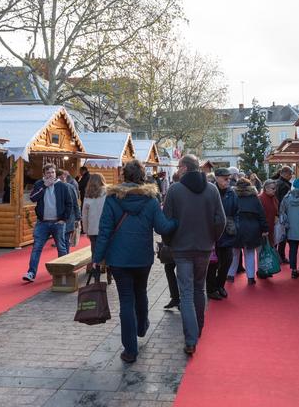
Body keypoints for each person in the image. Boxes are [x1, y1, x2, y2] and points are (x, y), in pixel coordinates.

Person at [92, 159, 177, 363]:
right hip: (142, 257)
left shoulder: (112, 200)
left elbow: (104, 231)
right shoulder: (151, 200)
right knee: (141, 292)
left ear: (123, 176)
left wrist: (97, 258)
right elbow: (163, 228)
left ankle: (130, 350)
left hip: (119, 260)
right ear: (142, 177)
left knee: (126, 302)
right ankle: (142, 326)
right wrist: (178, 221)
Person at [163, 154, 225, 355]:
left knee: (187, 293)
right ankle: (197, 328)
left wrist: (169, 241)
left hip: (181, 248)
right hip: (204, 247)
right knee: (199, 289)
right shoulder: (212, 189)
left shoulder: (175, 190)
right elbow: (220, 220)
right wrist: (211, 238)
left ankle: (191, 338)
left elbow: (167, 221)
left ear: (183, 168)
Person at [22, 164, 79, 282]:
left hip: (58, 222)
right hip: (42, 222)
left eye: (52, 172)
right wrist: (44, 186)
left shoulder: (62, 186)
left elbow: (69, 203)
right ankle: (31, 273)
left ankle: (63, 272)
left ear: (55, 174)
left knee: (61, 247)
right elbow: (32, 198)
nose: (51, 175)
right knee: (37, 248)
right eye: (48, 173)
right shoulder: (39, 184)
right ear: (44, 174)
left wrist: (64, 219)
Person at [206, 167, 238, 300]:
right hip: (213, 233)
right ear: (217, 178)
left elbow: (237, 211)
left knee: (227, 261)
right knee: (213, 263)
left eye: (229, 178)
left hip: (228, 231)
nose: (228, 180)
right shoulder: (210, 191)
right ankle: (211, 289)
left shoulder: (231, 193)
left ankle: (220, 285)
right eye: (225, 178)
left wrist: (236, 225)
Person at [229, 178, 268, 285]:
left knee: (234, 253)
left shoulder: (232, 196)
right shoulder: (254, 198)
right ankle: (250, 278)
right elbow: (261, 214)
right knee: (249, 253)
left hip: (236, 228)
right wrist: (265, 229)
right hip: (252, 228)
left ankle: (230, 275)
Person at [161, 172, 182, 309]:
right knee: (171, 267)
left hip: (176, 238)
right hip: (177, 238)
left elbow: (165, 218)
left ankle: (177, 298)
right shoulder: (184, 193)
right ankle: (176, 297)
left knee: (175, 268)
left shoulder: (173, 193)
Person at [81, 173, 106, 257]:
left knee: (94, 250)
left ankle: (96, 267)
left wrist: (86, 230)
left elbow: (84, 215)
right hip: (106, 227)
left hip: (93, 228)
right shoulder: (108, 194)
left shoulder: (88, 196)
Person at [275, 166, 293, 262]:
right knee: (282, 235)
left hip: (277, 212)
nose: (291, 176)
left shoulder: (278, 183)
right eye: (290, 174)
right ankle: (281, 256)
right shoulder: (284, 185)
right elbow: (283, 201)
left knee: (276, 235)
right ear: (285, 174)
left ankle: (276, 256)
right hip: (281, 213)